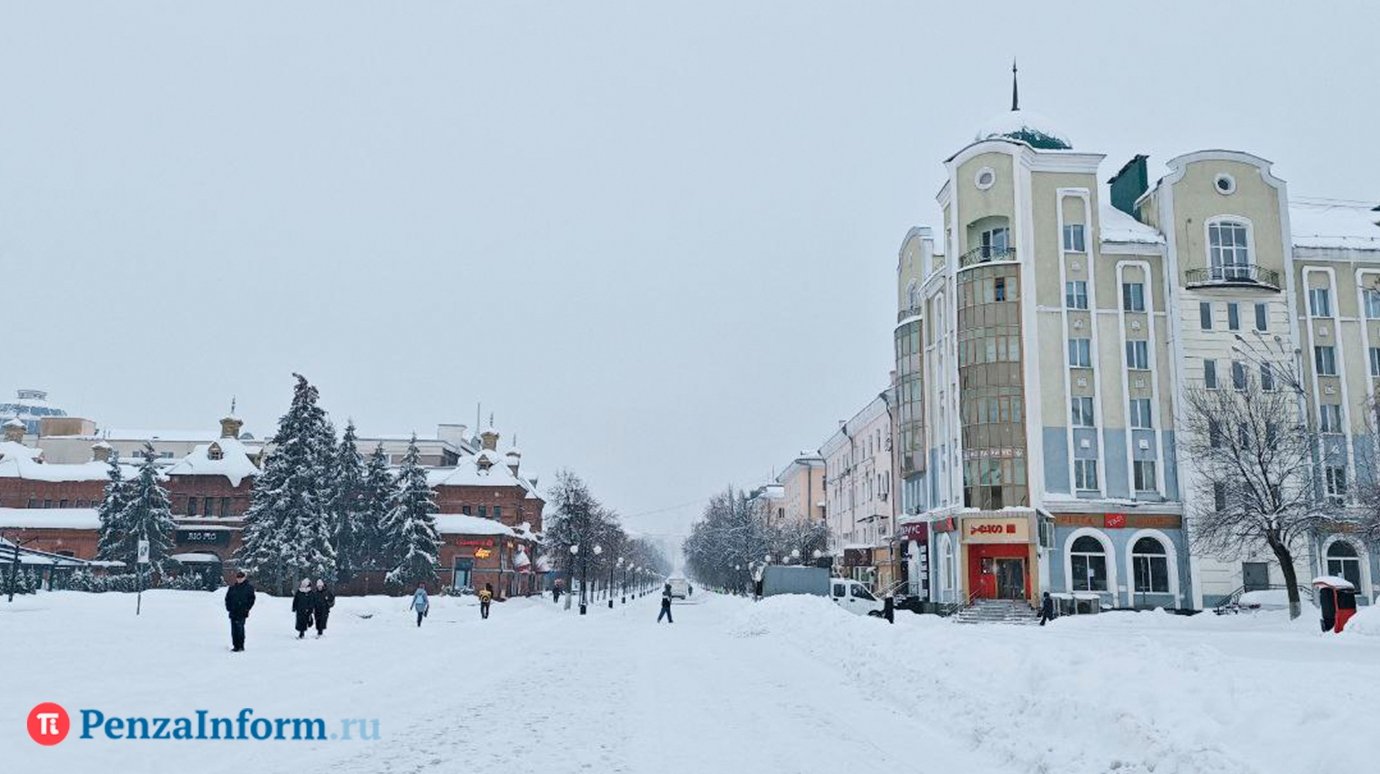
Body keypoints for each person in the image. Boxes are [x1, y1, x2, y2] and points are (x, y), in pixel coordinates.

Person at [224, 571, 256, 652]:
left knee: (240, 628)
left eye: (241, 578)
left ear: (244, 578)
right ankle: (235, 646)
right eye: (238, 578)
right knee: (234, 630)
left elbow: (252, 599)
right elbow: (227, 598)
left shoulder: (249, 588)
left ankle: (241, 645)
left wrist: (247, 608)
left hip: (242, 611)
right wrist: (228, 607)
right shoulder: (232, 588)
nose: (239, 579)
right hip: (233, 611)